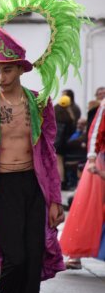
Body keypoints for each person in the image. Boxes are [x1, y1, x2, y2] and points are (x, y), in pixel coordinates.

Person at [0, 28, 66, 293]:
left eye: (7, 70)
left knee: (33, 257)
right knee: (15, 258)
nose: (1, 77)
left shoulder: (39, 103)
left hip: (34, 186)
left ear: (21, 69)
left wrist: (54, 199)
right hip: (3, 188)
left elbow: (48, 155)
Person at [60, 98, 105, 270]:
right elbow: (95, 133)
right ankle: (76, 253)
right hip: (101, 161)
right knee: (89, 208)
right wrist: (92, 159)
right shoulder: (104, 105)